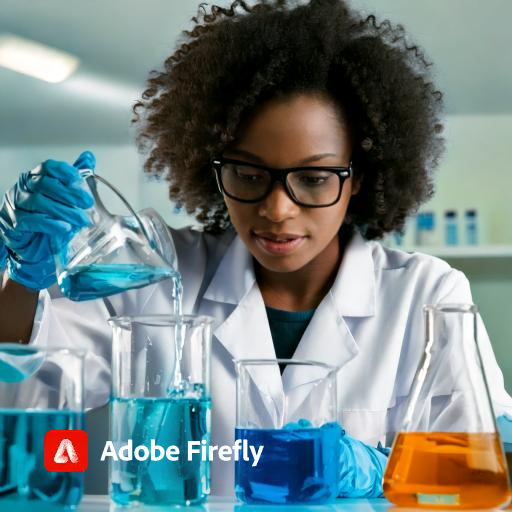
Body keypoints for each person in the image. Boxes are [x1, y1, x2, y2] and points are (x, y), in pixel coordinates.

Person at [0, 0, 511, 498]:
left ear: (359, 178)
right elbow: (27, 391)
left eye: (312, 178)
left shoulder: (427, 293)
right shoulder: (154, 275)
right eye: (248, 174)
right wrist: (24, 278)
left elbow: (486, 469)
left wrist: (377, 471)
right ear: (211, 167)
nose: (277, 209)